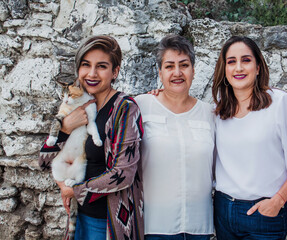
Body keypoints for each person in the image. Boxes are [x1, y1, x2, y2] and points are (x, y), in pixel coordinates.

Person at [39, 35, 144, 240]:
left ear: (115, 71)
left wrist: (74, 190)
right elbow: (44, 162)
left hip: (108, 222)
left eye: (102, 66)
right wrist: (66, 127)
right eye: (86, 65)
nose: (92, 73)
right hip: (78, 219)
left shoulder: (125, 108)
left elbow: (124, 173)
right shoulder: (75, 107)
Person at [212, 36, 287, 240]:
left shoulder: (280, 104)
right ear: (224, 70)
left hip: (264, 213)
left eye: (246, 60)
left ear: (258, 67)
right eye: (231, 62)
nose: (239, 68)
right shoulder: (219, 112)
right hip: (223, 210)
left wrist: (278, 201)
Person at [135, 35, 215, 240]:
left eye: (184, 65)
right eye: (169, 66)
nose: (177, 73)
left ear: (193, 71)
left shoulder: (210, 114)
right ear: (160, 72)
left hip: (200, 227)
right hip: (154, 226)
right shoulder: (141, 106)